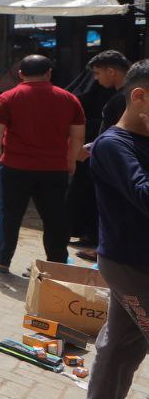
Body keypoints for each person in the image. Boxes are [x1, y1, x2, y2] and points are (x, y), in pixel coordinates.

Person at [0, 55, 86, 274]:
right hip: (54, 169)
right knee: (55, 217)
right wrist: (70, 161)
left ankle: (1, 260)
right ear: (49, 73)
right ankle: (55, 265)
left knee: (9, 214)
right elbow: (78, 137)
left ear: (21, 75)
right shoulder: (69, 99)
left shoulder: (9, 97)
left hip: (16, 166)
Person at [85, 59, 149, 399]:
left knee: (120, 347)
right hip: (131, 264)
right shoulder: (113, 145)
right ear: (139, 96)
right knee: (121, 345)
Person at [73, 50, 129, 261]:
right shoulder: (121, 96)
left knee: (114, 208)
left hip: (117, 163)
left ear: (112, 71)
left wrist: (96, 146)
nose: (96, 79)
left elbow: (122, 132)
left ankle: (107, 250)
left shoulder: (123, 98)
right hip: (114, 159)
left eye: (98, 73)